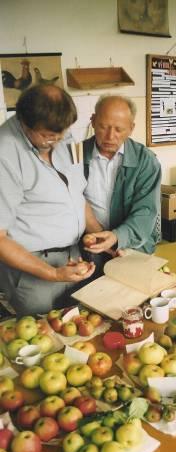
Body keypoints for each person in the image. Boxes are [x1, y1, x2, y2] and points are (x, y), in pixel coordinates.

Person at [0, 84, 95, 316]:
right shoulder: (5, 153)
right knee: (43, 335)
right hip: (32, 269)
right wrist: (52, 274)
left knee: (79, 329)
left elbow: (76, 194)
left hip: (73, 257)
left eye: (62, 133)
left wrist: (102, 236)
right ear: (24, 122)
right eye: (49, 136)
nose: (58, 140)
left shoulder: (63, 134)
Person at [82, 95, 161, 270]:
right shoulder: (76, 156)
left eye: (119, 129)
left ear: (131, 128)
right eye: (103, 127)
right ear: (93, 121)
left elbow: (146, 211)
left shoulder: (145, 161)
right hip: (89, 247)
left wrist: (117, 237)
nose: (110, 136)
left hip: (132, 247)